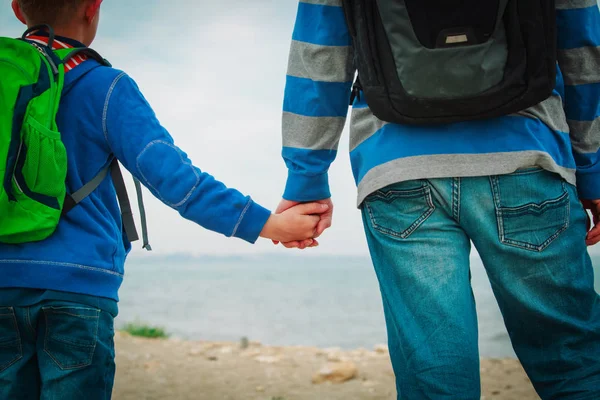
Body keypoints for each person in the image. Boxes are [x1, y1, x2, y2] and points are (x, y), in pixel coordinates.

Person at [0, 1, 329, 399]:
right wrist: (268, 224)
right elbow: (176, 181)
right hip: (78, 290)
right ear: (92, 7)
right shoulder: (104, 86)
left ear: (18, 10)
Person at [277, 0, 600, 398]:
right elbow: (582, 46)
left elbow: (319, 52)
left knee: (435, 374)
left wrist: (305, 179)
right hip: (525, 157)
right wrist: (592, 171)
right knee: (572, 359)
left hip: (397, 167)